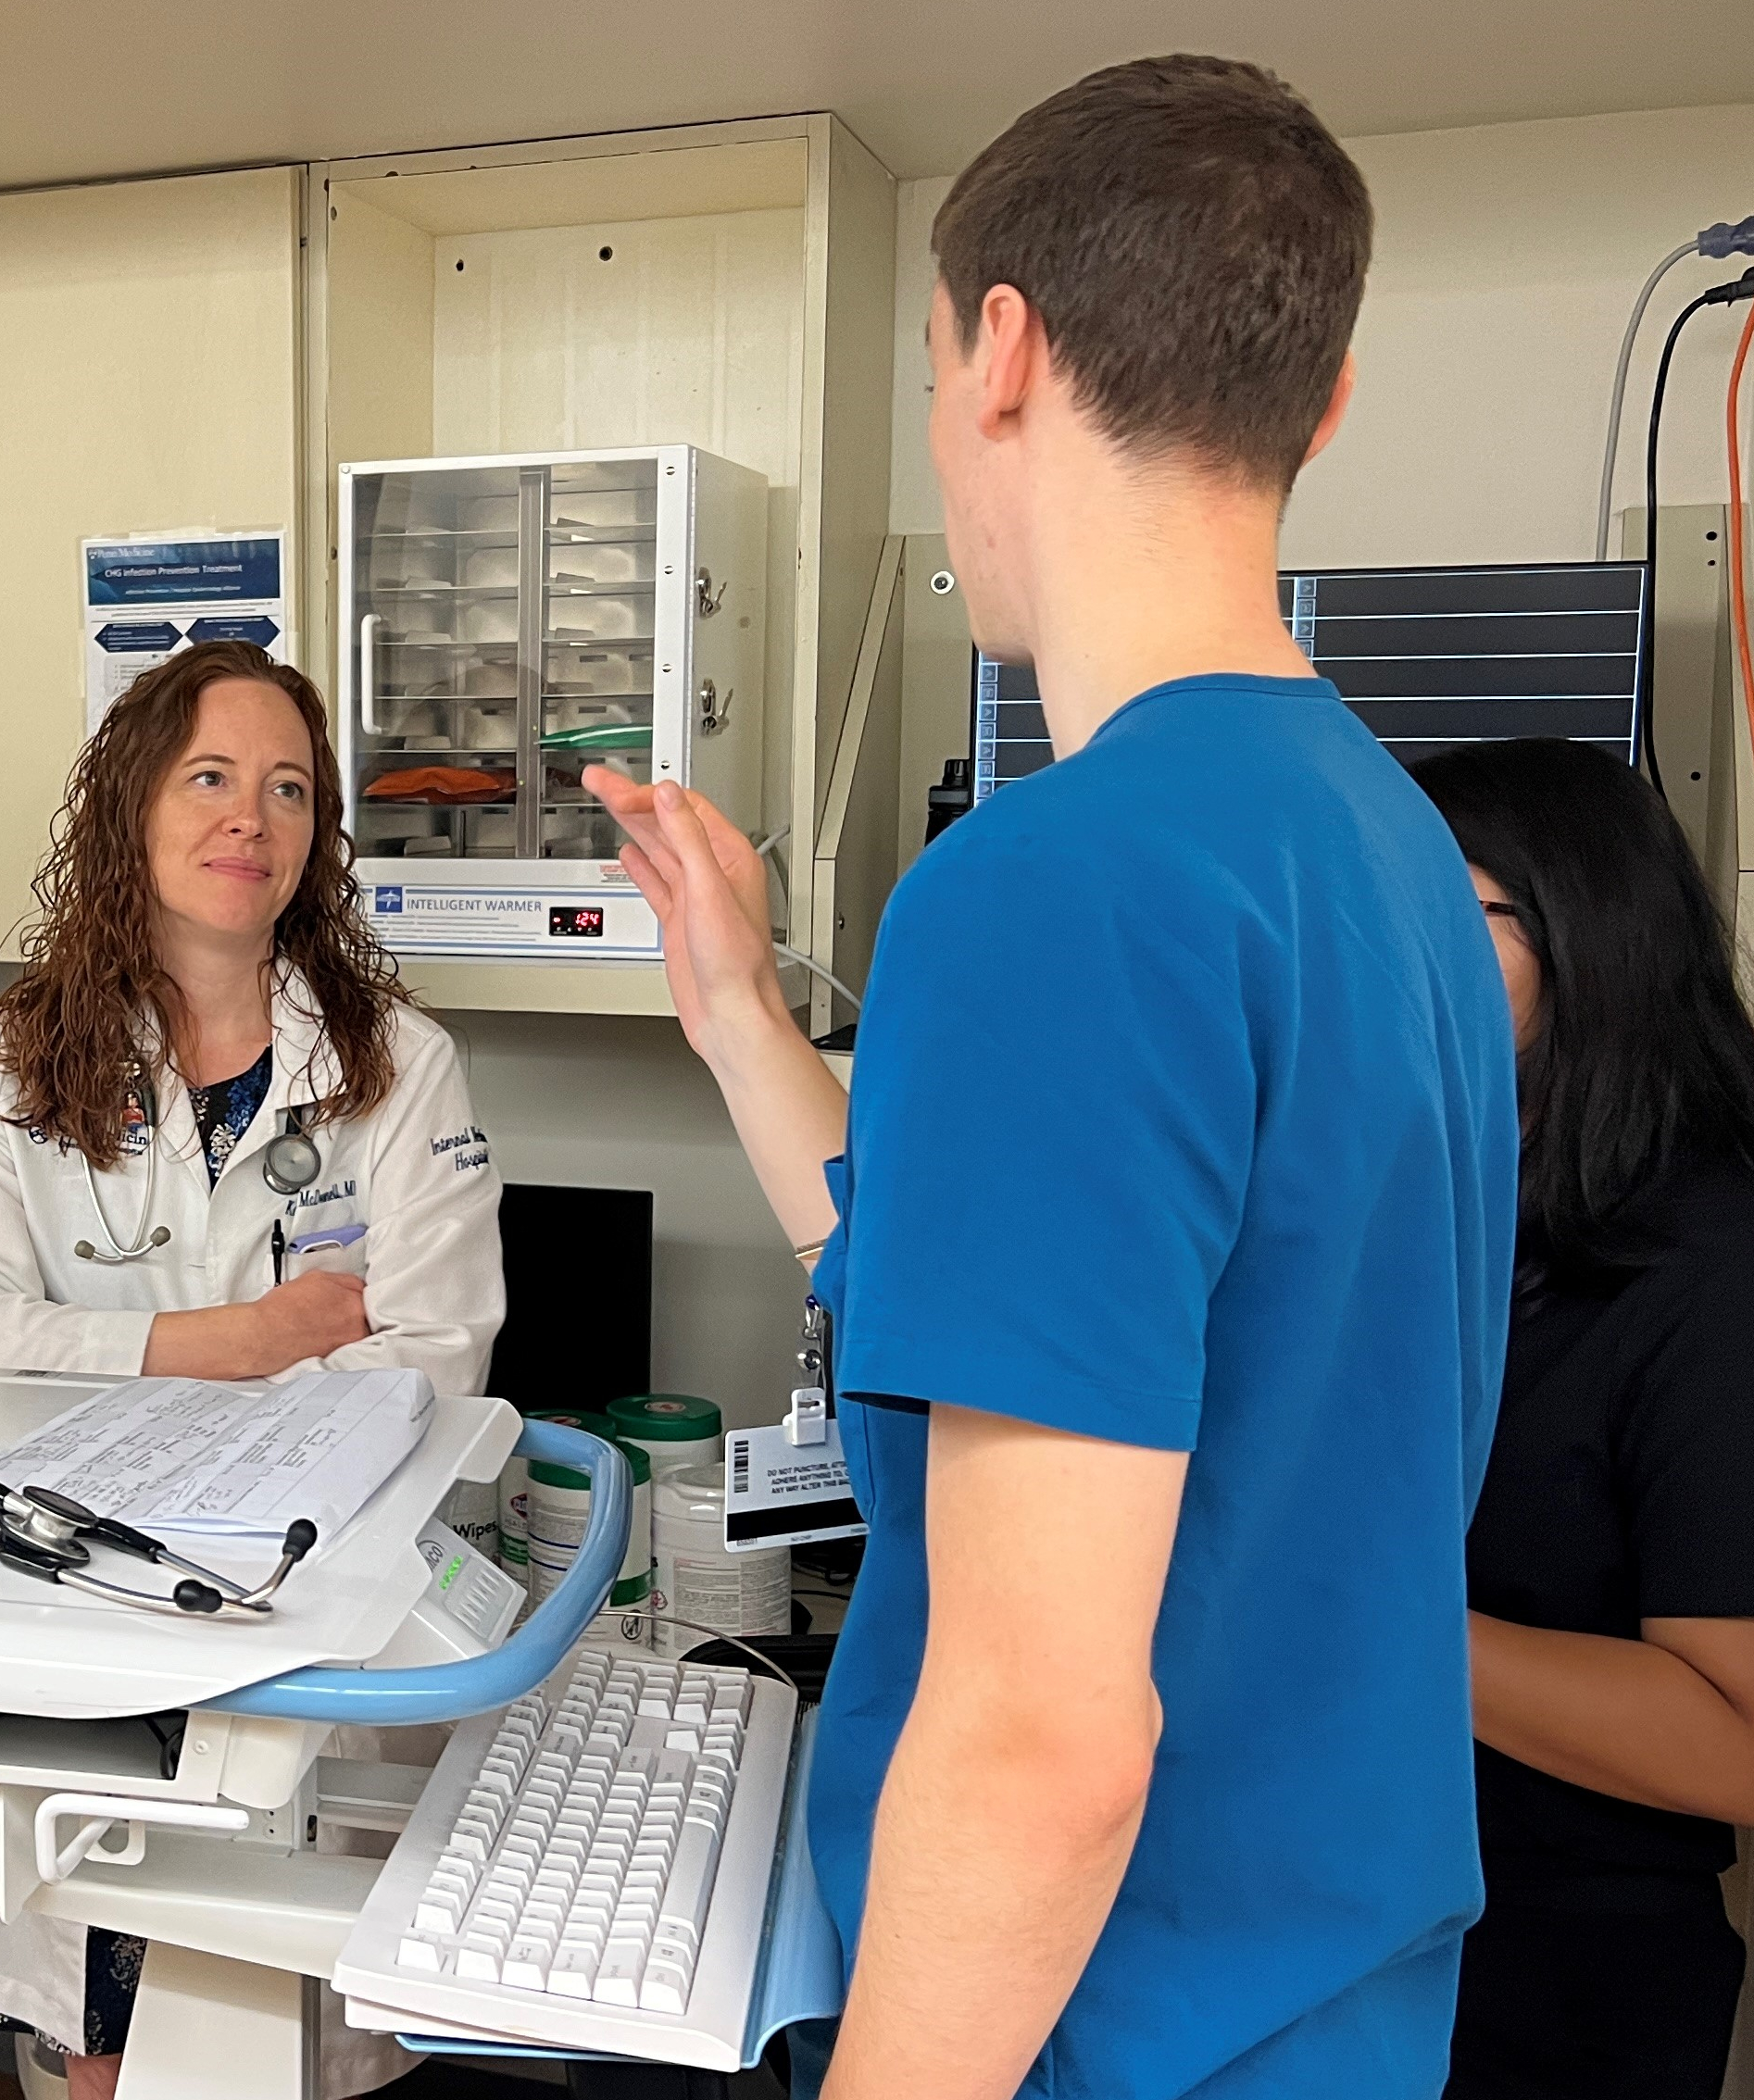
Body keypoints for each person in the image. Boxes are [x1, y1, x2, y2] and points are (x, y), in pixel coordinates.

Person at [591, 56, 1516, 2098]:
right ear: (1325, 401)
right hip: (1327, 2011)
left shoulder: (1059, 885)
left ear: (1000, 353)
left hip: (1107, 2031)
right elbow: (1029, 1304)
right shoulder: (1389, 858)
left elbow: (1044, 1739)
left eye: (931, 369)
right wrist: (743, 1012)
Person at [0, 637, 505, 2095]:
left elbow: (434, 1357)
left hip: (299, 1602)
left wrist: (113, 1378)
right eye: (211, 776)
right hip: (67, 1610)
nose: (253, 819)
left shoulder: (397, 1067)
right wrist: (234, 1345)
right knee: (93, 2038)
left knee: (265, 2018)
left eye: (289, 790)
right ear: (131, 807)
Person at [1408, 737, 1754, 2100]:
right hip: (1371, 1921)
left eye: (1442, 913)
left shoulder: (1735, 1261)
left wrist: (1360, 1622)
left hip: (1548, 1990)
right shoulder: (1468, 1201)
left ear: (1584, 929)